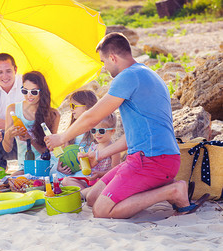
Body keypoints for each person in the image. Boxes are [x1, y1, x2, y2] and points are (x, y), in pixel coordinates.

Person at [44, 32, 195, 219]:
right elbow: (133, 137)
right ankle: (165, 185)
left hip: (152, 160)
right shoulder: (147, 73)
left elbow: (92, 116)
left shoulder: (128, 77)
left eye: (104, 62)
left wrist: (61, 137)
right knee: (92, 198)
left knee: (101, 210)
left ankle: (172, 191)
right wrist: (98, 155)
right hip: (149, 158)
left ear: (113, 57)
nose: (105, 67)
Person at [2, 71, 60, 175]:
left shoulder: (53, 115)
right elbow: (7, 149)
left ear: (42, 92)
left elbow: (48, 152)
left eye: (34, 92)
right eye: (25, 91)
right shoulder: (13, 110)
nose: (29, 96)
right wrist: (8, 135)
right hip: (24, 167)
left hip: (46, 166)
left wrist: (30, 139)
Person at [62, 114, 121, 199]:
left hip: (103, 183)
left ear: (112, 131)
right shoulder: (93, 146)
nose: (97, 134)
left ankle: (87, 194)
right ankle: (87, 193)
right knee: (66, 180)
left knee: (84, 193)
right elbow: (88, 167)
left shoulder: (114, 149)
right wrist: (82, 161)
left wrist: (99, 174)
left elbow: (114, 172)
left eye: (101, 131)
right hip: (91, 182)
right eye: (93, 130)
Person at [57, 90, 97, 176]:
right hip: (73, 167)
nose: (71, 109)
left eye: (74, 106)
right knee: (55, 173)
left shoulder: (95, 129)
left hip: (88, 167)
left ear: (87, 107)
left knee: (80, 176)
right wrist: (61, 166)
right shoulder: (72, 129)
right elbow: (66, 151)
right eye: (70, 106)